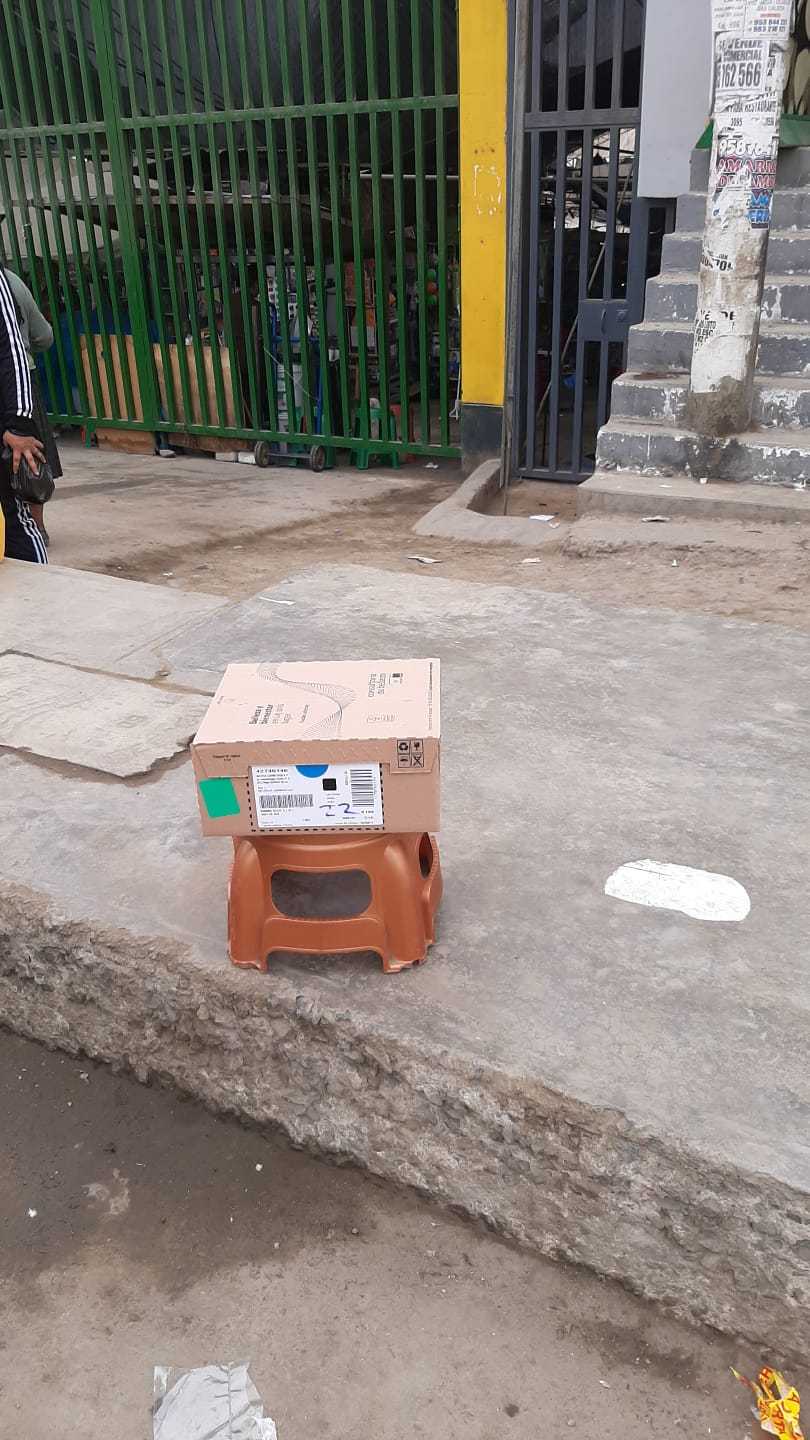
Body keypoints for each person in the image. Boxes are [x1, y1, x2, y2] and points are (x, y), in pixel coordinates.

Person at [4, 266, 60, 546]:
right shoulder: (11, 281)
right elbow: (44, 336)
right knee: (31, 451)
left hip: (14, 379)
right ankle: (37, 525)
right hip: (21, 376)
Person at [0, 267, 47, 563]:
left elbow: (11, 350)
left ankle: (44, 586)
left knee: (14, 517)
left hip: (7, 416)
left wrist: (17, 425)